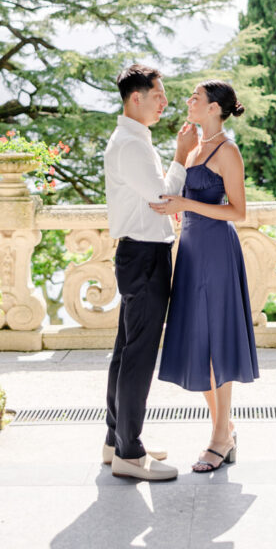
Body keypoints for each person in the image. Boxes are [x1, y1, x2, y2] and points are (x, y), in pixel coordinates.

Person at [150, 80, 259, 472]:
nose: (189, 101)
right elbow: (175, 195)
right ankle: (225, 428)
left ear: (214, 108)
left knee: (217, 344)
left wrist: (187, 203)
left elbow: (237, 211)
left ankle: (219, 437)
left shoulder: (228, 151)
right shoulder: (194, 146)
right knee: (198, 341)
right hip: (191, 251)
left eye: (196, 97)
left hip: (216, 252)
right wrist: (179, 161)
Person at [103, 63, 197, 481]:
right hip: (143, 256)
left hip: (140, 253)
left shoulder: (134, 139)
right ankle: (128, 451)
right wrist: (181, 156)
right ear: (135, 98)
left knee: (127, 350)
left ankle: (116, 441)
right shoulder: (131, 145)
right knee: (138, 355)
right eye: (158, 95)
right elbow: (163, 198)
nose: (165, 102)